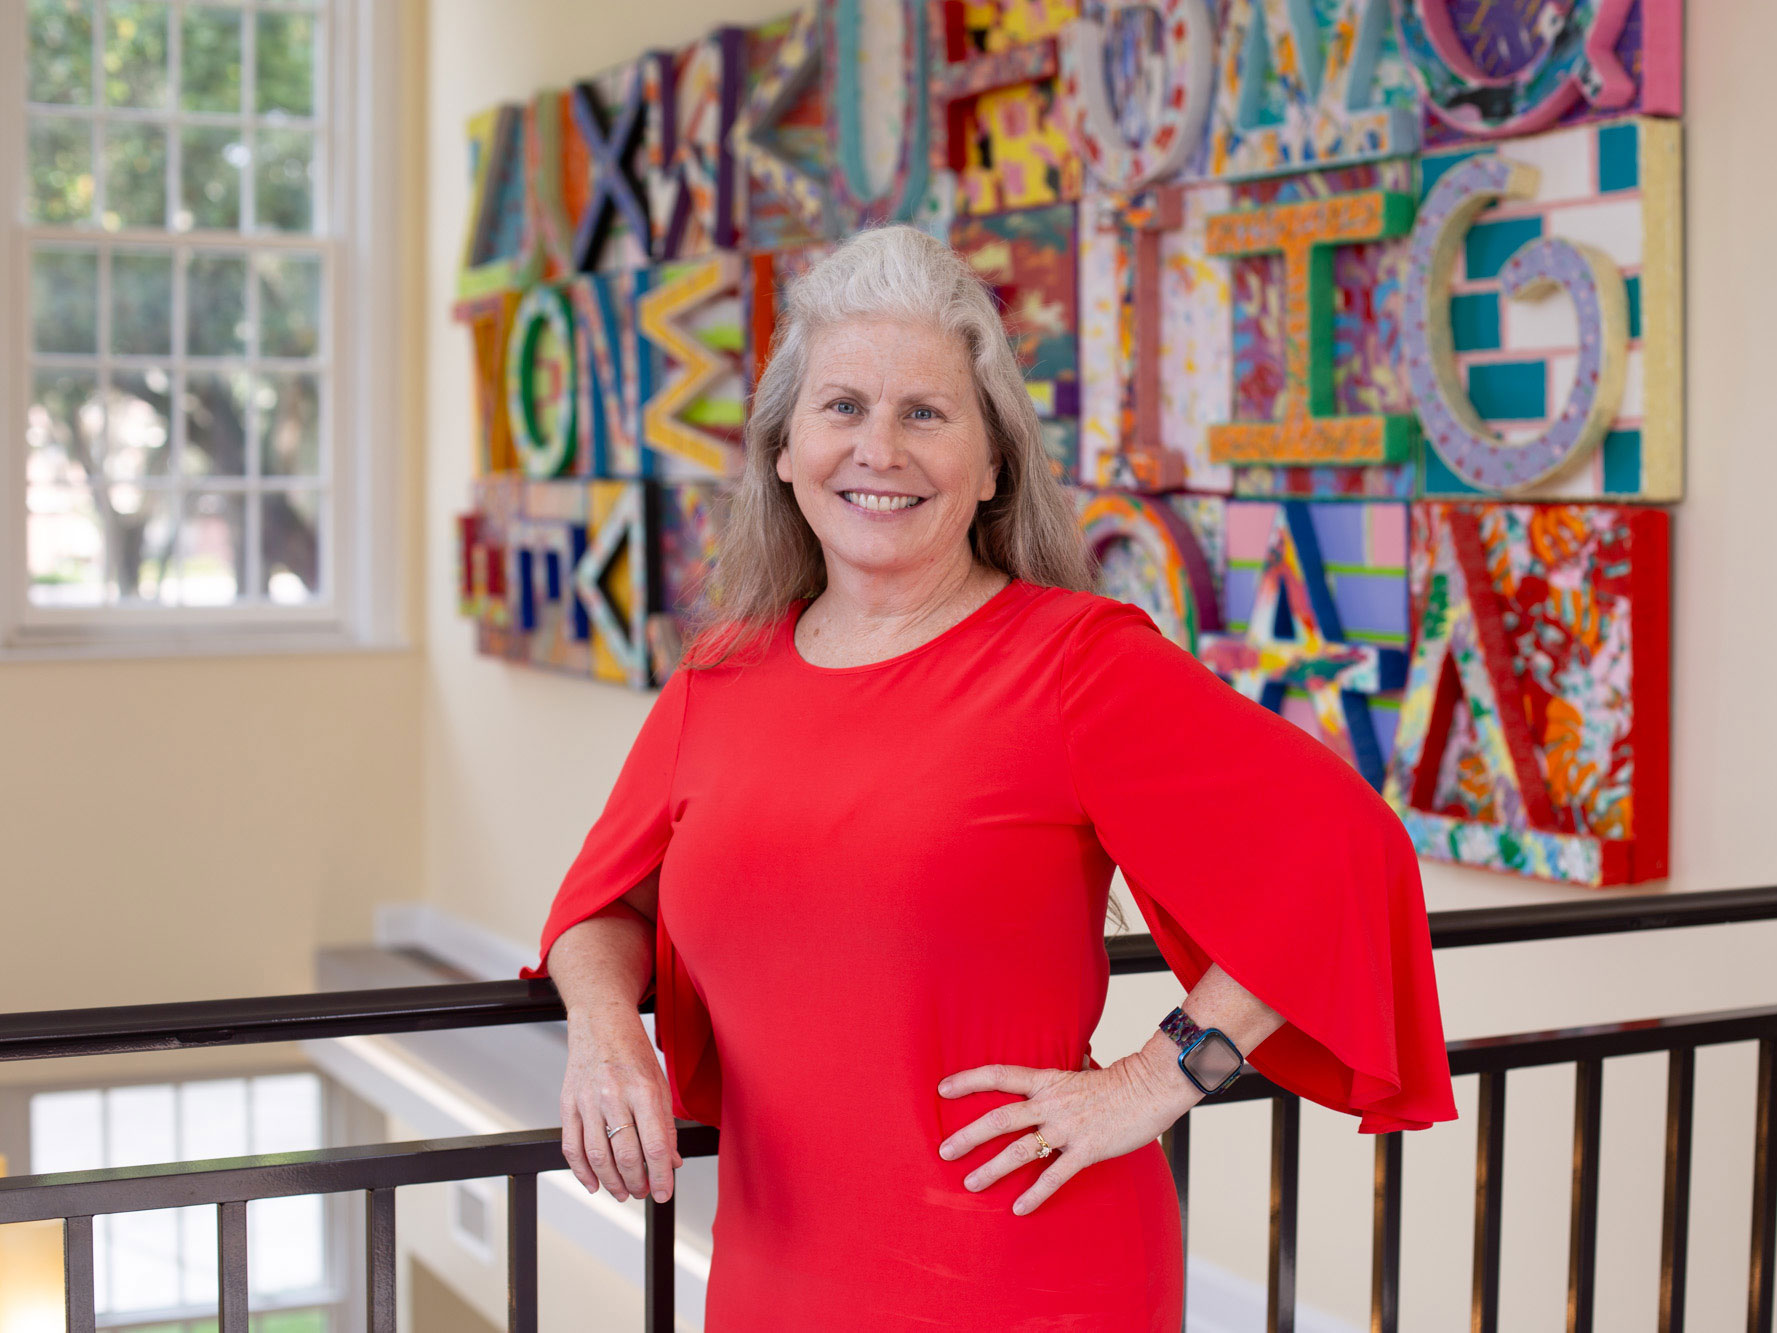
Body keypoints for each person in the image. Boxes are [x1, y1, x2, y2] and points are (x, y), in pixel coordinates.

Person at [521, 224, 1457, 1329]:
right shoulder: (719, 678)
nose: (881, 448)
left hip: (1029, 1274)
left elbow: (1343, 848)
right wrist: (602, 1030)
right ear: (783, 449)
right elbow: (600, 907)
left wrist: (1161, 1078)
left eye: (925, 412)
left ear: (993, 463)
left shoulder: (1075, 661)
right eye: (843, 407)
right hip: (775, 1276)